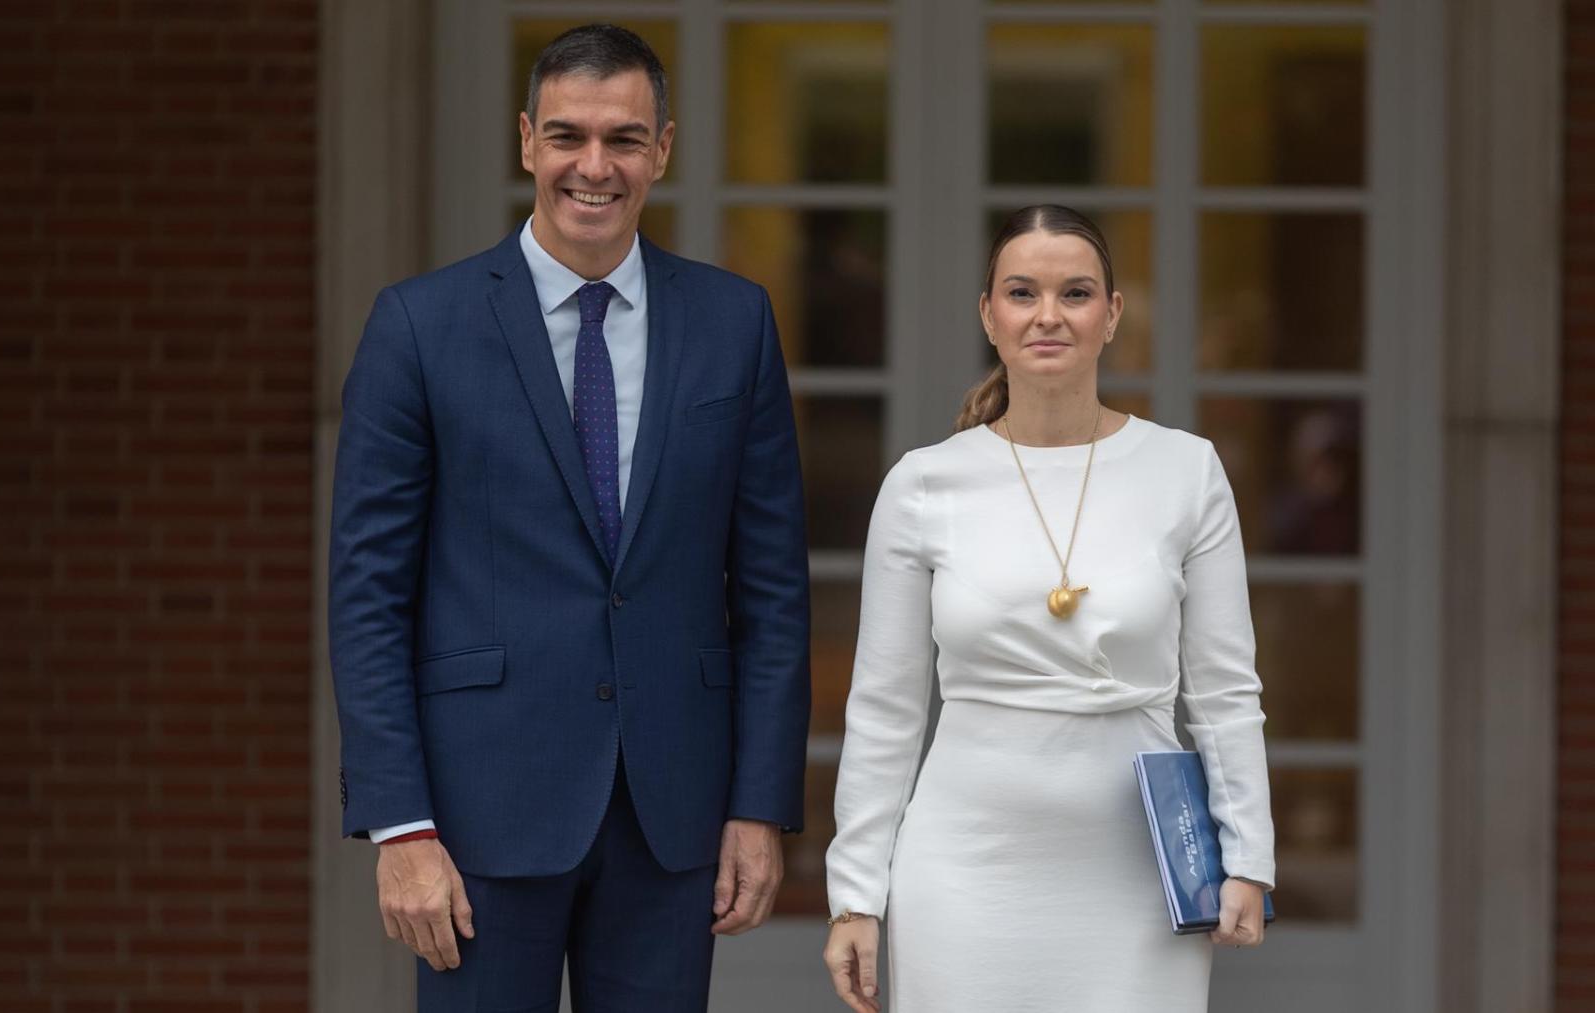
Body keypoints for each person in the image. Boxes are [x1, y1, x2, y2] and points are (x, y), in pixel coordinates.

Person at [327, 23, 811, 1012]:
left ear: (663, 150)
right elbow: (367, 595)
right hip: (474, 817)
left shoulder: (734, 323)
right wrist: (401, 826)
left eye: (625, 139)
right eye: (568, 137)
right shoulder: (419, 324)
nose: (595, 166)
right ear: (525, 143)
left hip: (671, 813)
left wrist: (759, 805)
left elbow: (772, 590)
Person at [821, 205, 1274, 1011]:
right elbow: (885, 707)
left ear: (1113, 315)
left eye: (1076, 293)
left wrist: (1247, 855)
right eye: (1022, 292)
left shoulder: (1186, 470)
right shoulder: (924, 483)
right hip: (964, 864)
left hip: (1139, 864)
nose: (1049, 315)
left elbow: (1223, 687)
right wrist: (857, 893)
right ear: (988, 314)